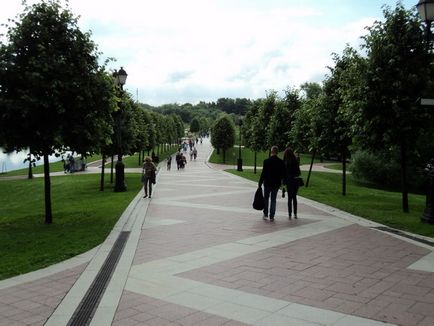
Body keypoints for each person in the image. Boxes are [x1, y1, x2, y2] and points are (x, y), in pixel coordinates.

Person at [258, 146, 285, 221]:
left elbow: (263, 173)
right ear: (277, 152)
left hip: (267, 183)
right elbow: (283, 174)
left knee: (266, 198)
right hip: (276, 184)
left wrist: (260, 182)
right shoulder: (281, 162)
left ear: (271, 151)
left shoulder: (266, 161)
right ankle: (272, 216)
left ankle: (265, 214)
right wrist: (282, 183)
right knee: (273, 199)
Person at [283, 147, 301, 219]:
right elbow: (298, 172)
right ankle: (295, 214)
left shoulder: (286, 162)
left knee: (289, 198)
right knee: (294, 197)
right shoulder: (296, 161)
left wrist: (283, 182)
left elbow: (284, 173)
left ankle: (290, 214)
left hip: (289, 181)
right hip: (296, 181)